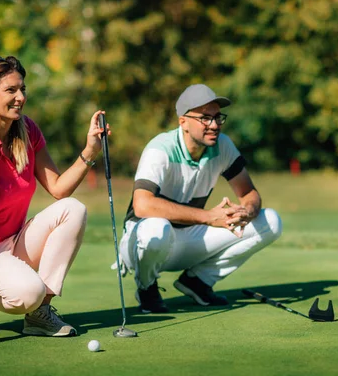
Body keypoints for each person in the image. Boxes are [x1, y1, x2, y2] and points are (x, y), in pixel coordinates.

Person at [0, 54, 109, 344]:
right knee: (28, 292)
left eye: (22, 89)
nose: (20, 97)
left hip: (11, 242)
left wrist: (90, 151)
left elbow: (58, 189)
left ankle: (39, 315)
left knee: (73, 209)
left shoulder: (27, 130)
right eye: (11, 90)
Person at [119, 84, 283, 313]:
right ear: (183, 121)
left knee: (270, 221)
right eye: (205, 118)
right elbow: (142, 204)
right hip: (142, 241)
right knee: (157, 228)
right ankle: (146, 287)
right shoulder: (160, 149)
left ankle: (198, 282)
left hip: (187, 238)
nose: (214, 125)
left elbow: (249, 193)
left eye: (217, 117)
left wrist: (247, 211)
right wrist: (208, 217)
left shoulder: (223, 145)